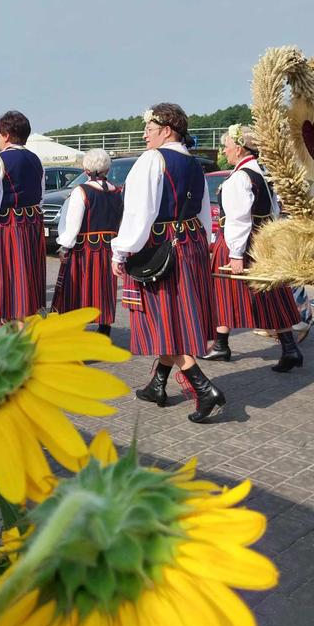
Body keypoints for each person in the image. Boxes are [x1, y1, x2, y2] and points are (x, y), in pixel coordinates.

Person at [111, 103, 223, 424]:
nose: (145, 133)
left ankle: (203, 389)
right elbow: (203, 210)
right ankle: (157, 384)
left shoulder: (153, 159)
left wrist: (120, 251)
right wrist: (207, 245)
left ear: (167, 130)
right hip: (191, 244)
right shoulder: (191, 162)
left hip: (159, 248)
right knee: (173, 316)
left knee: (163, 318)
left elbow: (139, 213)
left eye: (150, 127)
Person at [201, 125, 303, 372]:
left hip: (240, 244)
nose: (224, 150)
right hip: (260, 243)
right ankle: (226, 345)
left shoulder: (240, 178)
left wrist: (236, 253)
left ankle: (286, 349)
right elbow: (273, 212)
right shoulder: (262, 173)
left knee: (233, 293)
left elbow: (239, 218)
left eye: (226, 146)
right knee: (265, 294)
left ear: (239, 147)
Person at [0, 110, 46, 322]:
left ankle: (16, 337)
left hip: (7, 226)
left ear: (6, 135)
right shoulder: (36, 160)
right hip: (31, 224)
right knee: (28, 278)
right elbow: (39, 196)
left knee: (9, 279)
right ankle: (26, 330)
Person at [52, 149, 123, 335]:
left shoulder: (81, 191)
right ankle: (104, 329)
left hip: (84, 249)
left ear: (86, 169)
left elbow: (72, 224)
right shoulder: (118, 192)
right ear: (107, 169)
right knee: (104, 289)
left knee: (80, 289)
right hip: (108, 249)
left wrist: (64, 246)